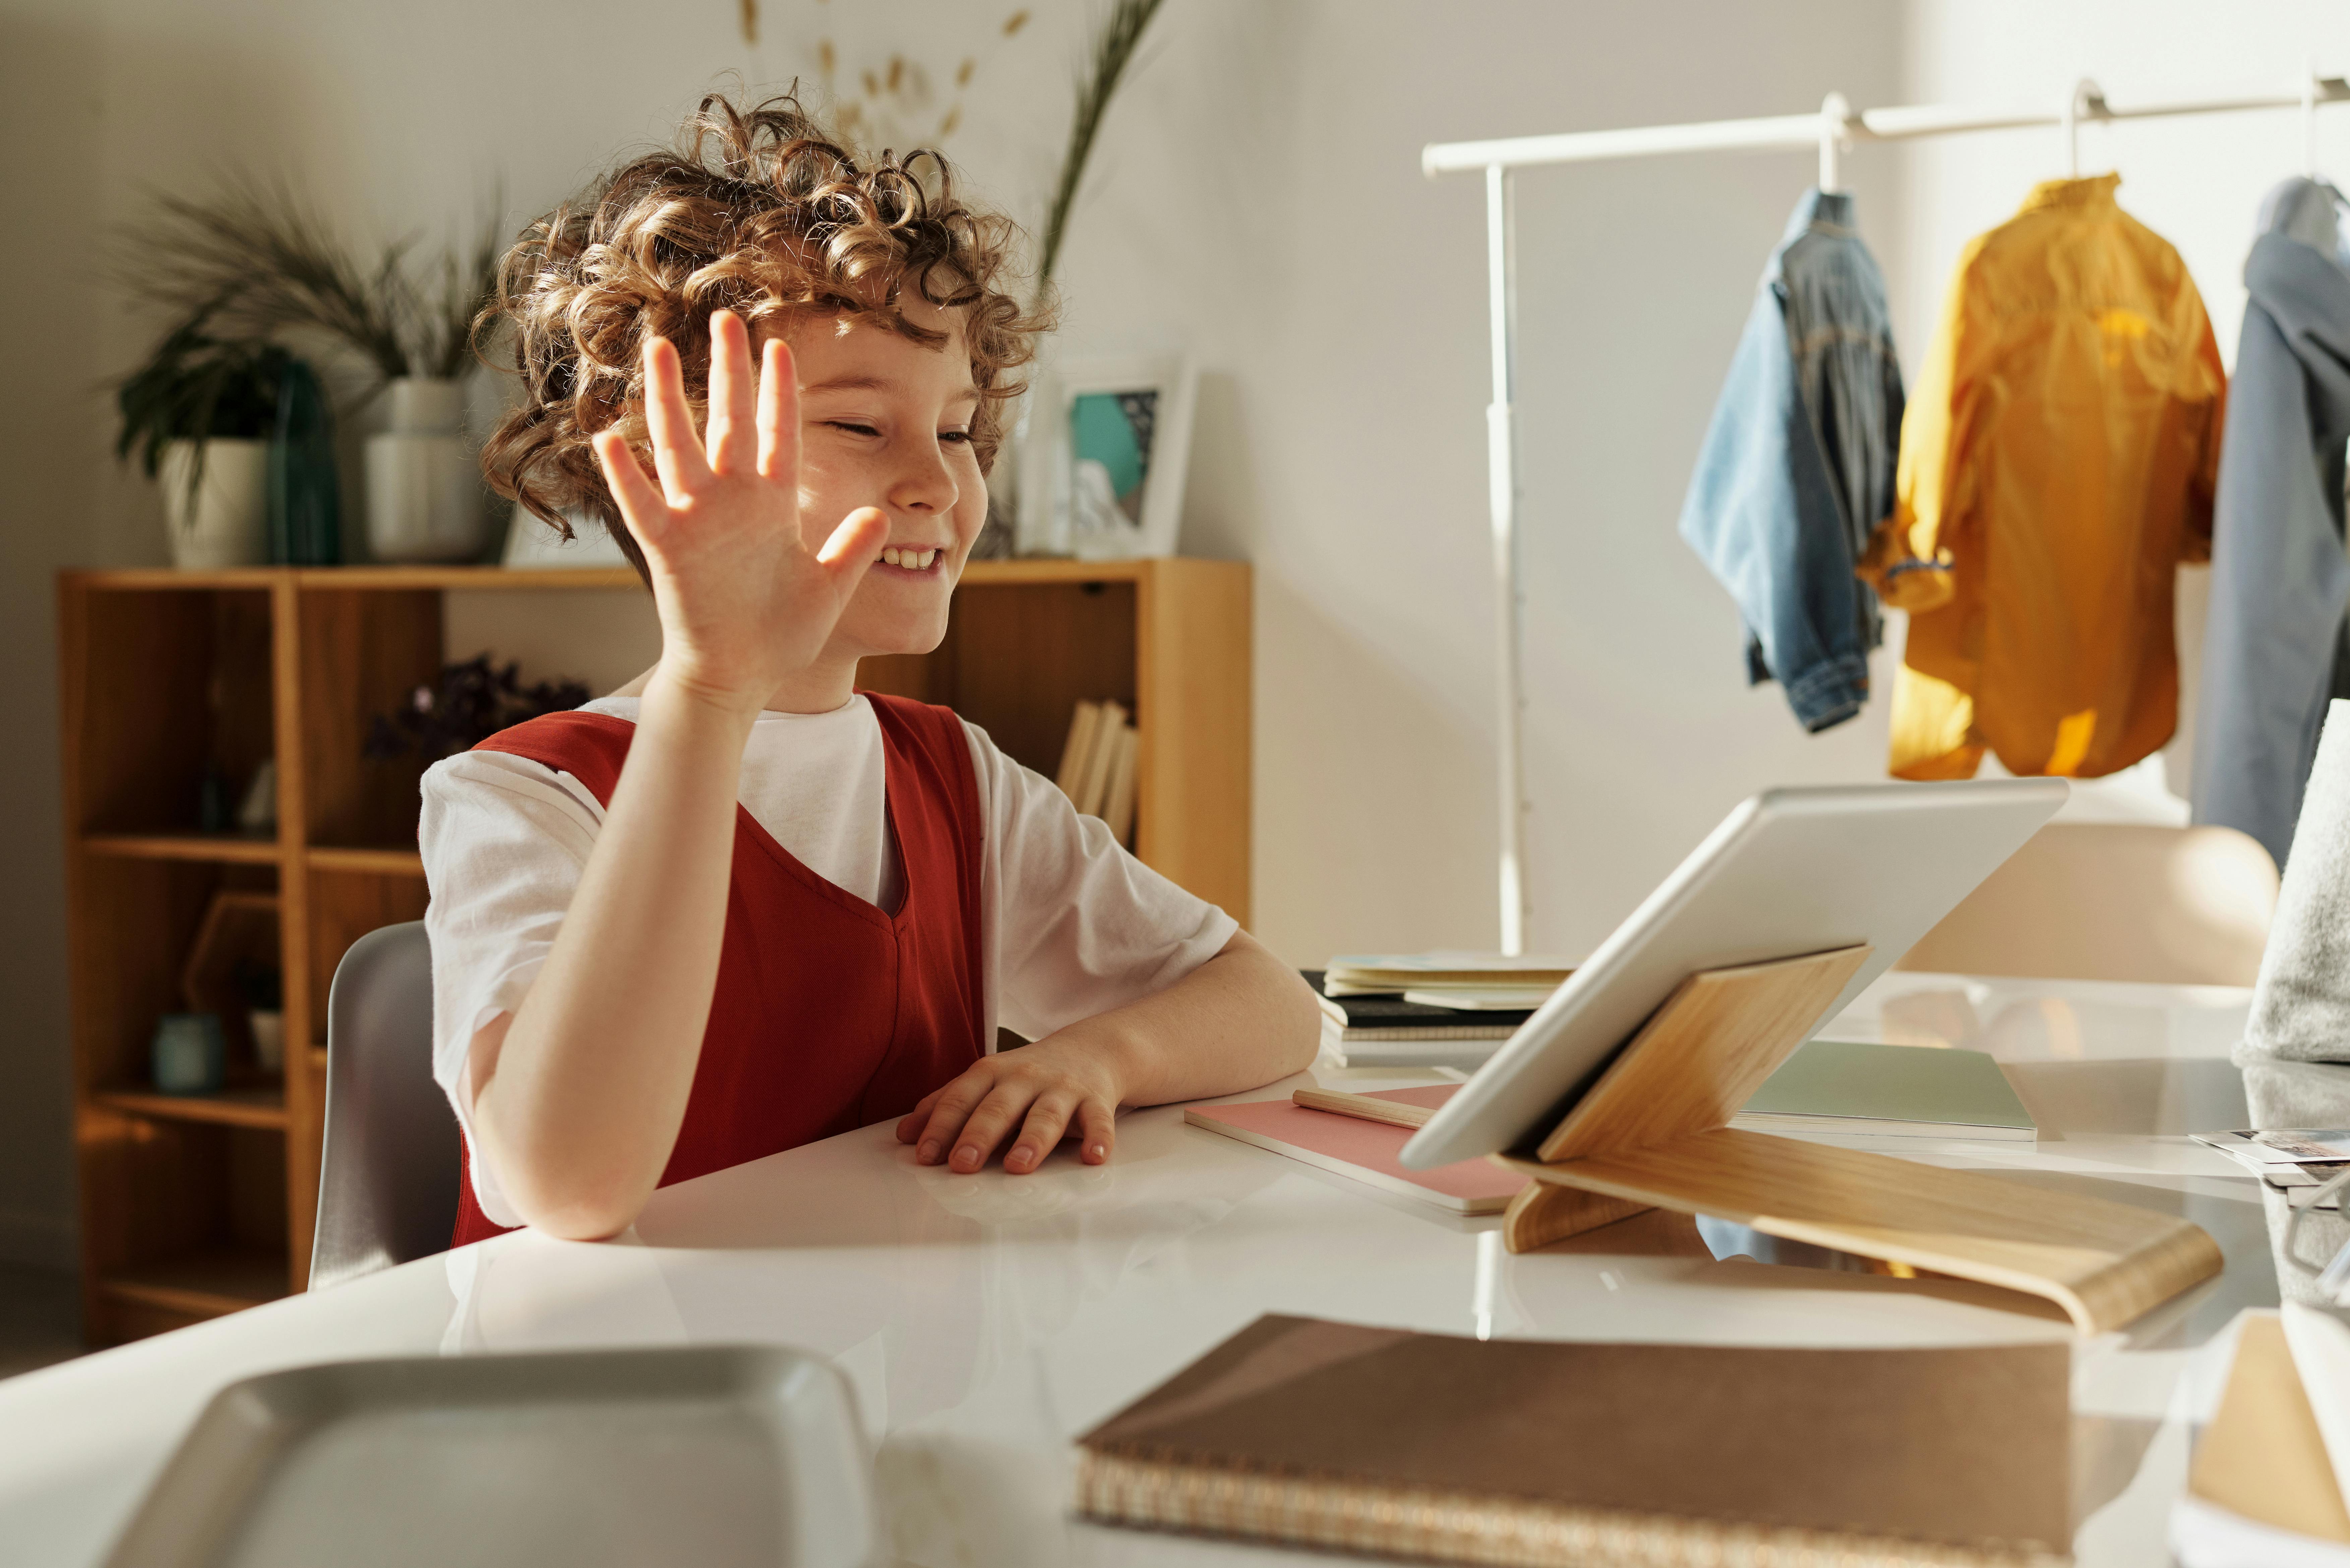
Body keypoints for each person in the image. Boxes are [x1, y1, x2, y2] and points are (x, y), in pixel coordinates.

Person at [424, 93, 1320, 1244]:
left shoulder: (953, 778)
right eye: (860, 429)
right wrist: (711, 687)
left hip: (883, 1378)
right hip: (610, 1398)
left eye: (955, 431)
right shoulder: (515, 801)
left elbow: (1271, 1007)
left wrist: (1099, 1054)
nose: (940, 486)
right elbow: (571, 1185)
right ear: (662, 466)